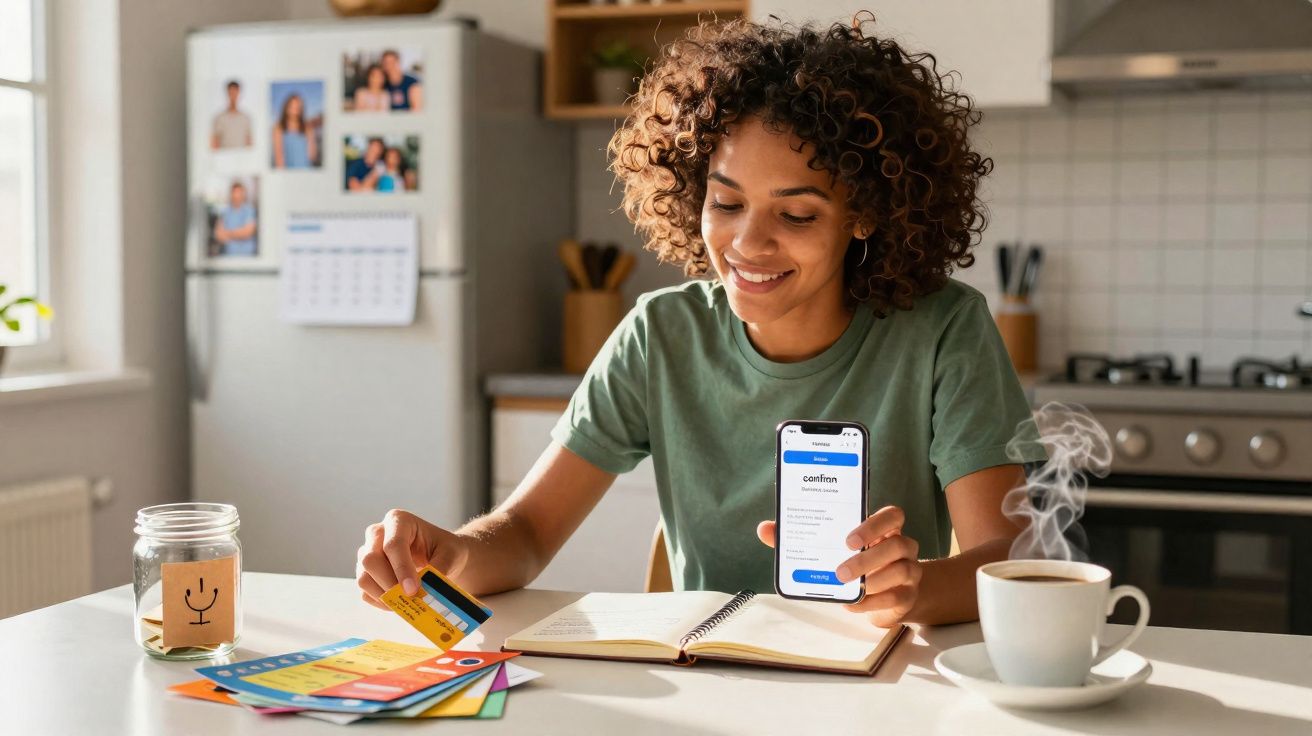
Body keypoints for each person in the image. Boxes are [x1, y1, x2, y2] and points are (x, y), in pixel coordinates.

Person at [356, 16, 1047, 628]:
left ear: (863, 215)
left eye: (798, 214)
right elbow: (529, 532)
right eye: (726, 203)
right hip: (706, 685)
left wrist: (913, 589)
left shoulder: (943, 330)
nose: (749, 243)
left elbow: (1013, 554)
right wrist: (453, 554)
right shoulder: (661, 333)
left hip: (883, 688)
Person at [272, 92, 317, 169]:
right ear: (286, 107)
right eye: (293, 105)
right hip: (288, 172)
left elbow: (312, 156)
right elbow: (278, 156)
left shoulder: (307, 127)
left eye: (298, 106)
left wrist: (311, 138)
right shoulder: (278, 127)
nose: (296, 108)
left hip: (306, 170)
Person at [212, 181, 256, 256]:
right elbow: (218, 235)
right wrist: (237, 234)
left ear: (243, 194)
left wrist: (227, 233)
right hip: (227, 256)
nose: (237, 195)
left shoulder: (249, 210)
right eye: (235, 192)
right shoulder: (225, 211)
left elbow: (247, 232)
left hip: (246, 258)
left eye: (239, 192)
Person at [211, 80, 252, 150]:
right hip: (224, 158)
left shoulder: (245, 118)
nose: (233, 96)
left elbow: (249, 142)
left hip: (242, 158)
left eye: (235, 93)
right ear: (227, 93)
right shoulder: (220, 118)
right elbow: (215, 142)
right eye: (231, 93)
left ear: (239, 93)